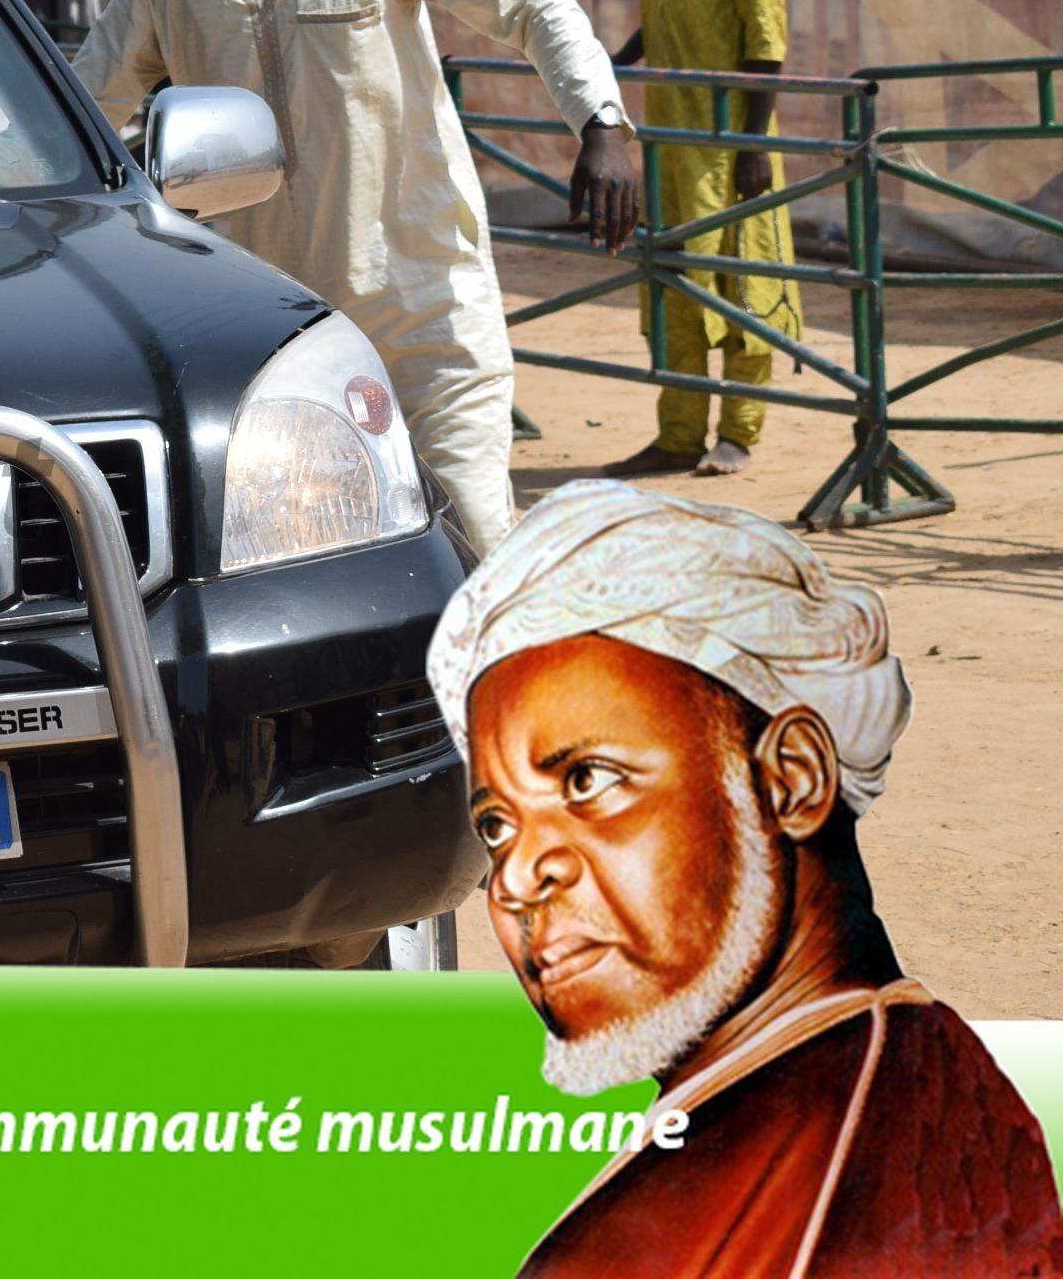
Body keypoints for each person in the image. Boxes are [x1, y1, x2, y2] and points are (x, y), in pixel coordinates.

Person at [431, 482, 1063, 1277]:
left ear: (789, 779)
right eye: (496, 824)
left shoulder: (854, 1154)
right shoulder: (791, 1102)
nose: (518, 874)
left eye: (588, 780)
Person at [71, 0, 638, 553]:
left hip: (423, 304)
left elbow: (530, 0)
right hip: (275, 333)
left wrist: (602, 122)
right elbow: (84, 105)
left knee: (474, 531)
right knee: (309, 555)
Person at [603, 0, 800, 480]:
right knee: (676, 282)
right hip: (673, 140)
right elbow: (663, 16)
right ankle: (679, 431)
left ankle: (739, 431)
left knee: (740, 279)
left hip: (730, 139)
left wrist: (751, 144)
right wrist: (613, 61)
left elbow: (766, 36)